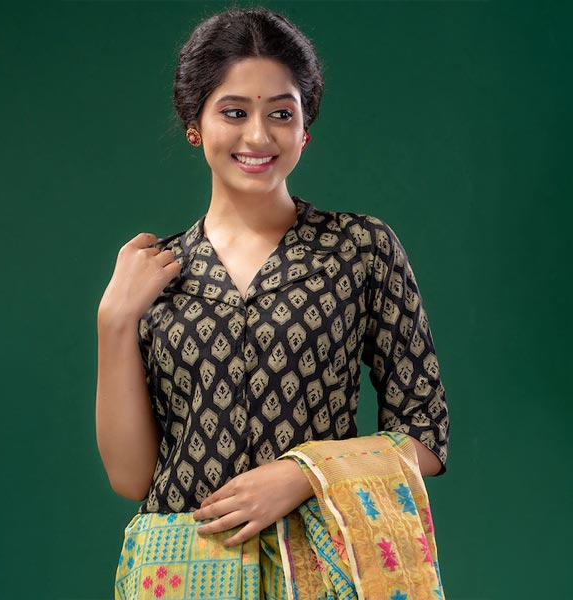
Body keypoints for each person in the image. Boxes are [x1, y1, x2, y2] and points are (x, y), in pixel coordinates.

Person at [96, 7, 449, 600]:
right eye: (234, 112)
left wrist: (303, 474)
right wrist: (113, 322)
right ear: (195, 124)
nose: (258, 136)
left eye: (281, 113)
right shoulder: (154, 274)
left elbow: (425, 435)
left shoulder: (360, 249)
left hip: (328, 563)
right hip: (183, 570)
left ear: (305, 128)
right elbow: (132, 479)